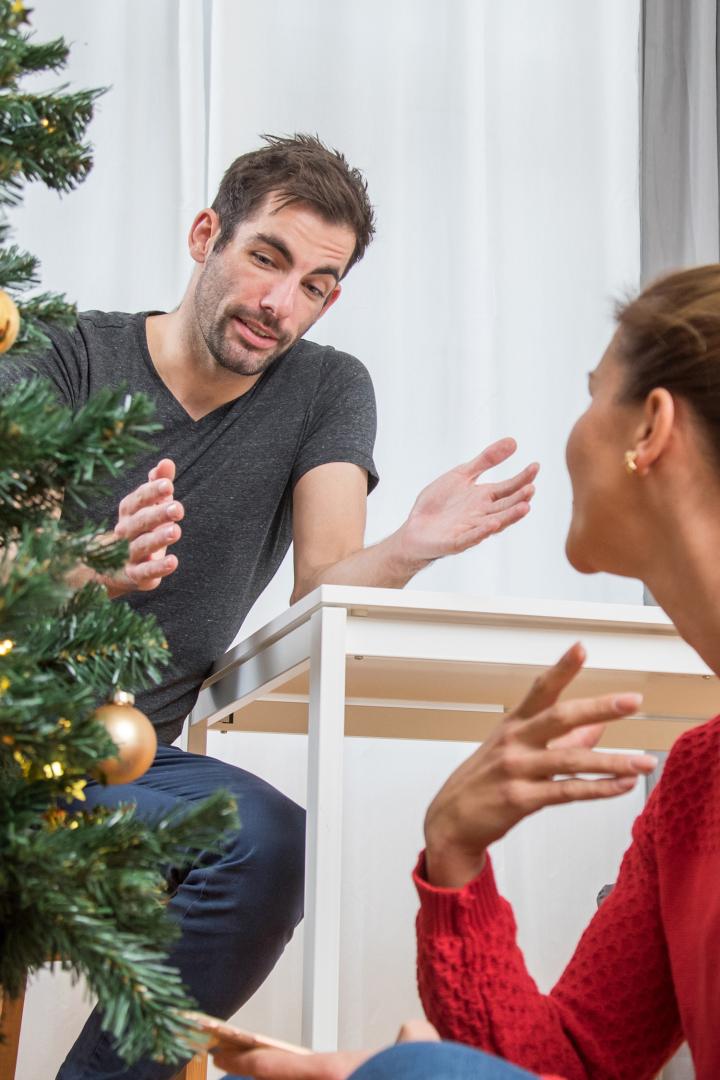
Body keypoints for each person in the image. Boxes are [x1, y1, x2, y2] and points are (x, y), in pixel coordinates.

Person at [1, 134, 537, 1080]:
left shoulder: (327, 388)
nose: (280, 305)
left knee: (264, 843)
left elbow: (320, 587)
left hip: (122, 764)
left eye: (317, 284)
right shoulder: (62, 353)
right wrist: (94, 563)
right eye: (267, 258)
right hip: (12, 731)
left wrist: (411, 544)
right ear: (207, 234)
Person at [212, 263, 720, 1080]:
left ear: (649, 429)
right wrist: (453, 856)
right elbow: (573, 1062)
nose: (574, 428)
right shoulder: (698, 779)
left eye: (594, 393)